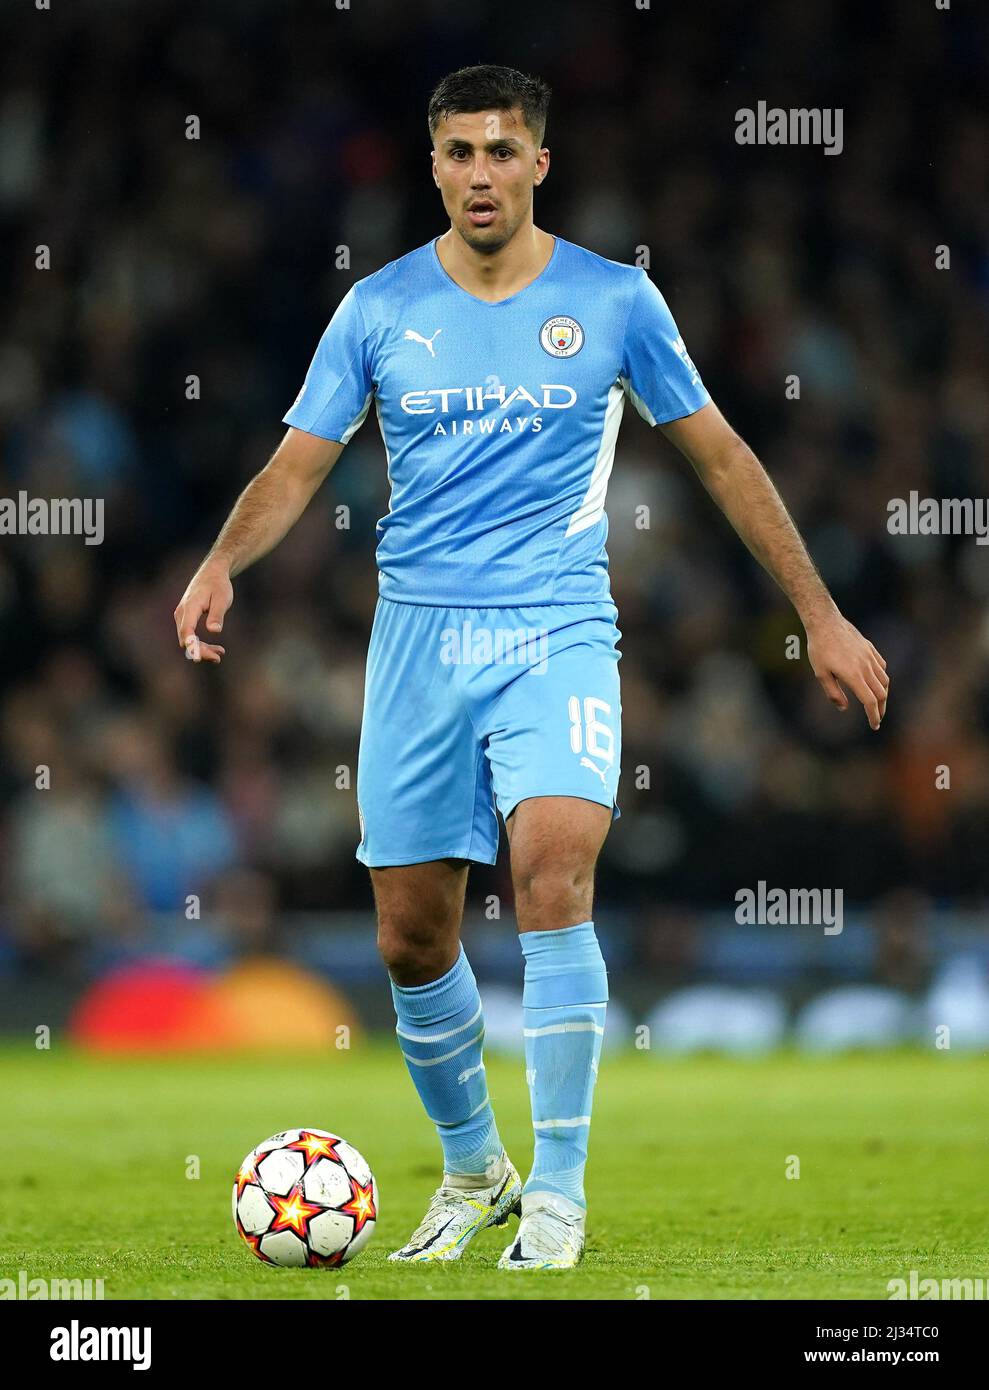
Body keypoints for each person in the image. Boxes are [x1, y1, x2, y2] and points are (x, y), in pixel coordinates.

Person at [174, 64, 889, 1270]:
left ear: (539, 163)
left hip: (554, 625)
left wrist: (815, 612)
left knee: (551, 872)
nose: (479, 174)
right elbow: (298, 462)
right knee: (410, 936)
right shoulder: (379, 307)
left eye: (502, 151)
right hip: (417, 640)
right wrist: (221, 560)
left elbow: (718, 454)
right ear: (434, 165)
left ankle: (556, 1191)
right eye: (458, 153)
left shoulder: (614, 302)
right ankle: (474, 1168)